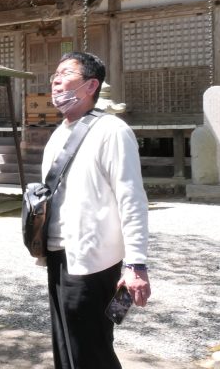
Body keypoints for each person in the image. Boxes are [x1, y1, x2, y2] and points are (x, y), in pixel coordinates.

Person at [42, 51, 151, 369]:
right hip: (59, 254)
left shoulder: (112, 131)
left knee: (91, 348)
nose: (56, 80)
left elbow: (132, 198)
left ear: (91, 85)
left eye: (65, 74)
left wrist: (136, 264)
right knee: (65, 342)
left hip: (94, 261)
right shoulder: (58, 134)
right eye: (54, 75)